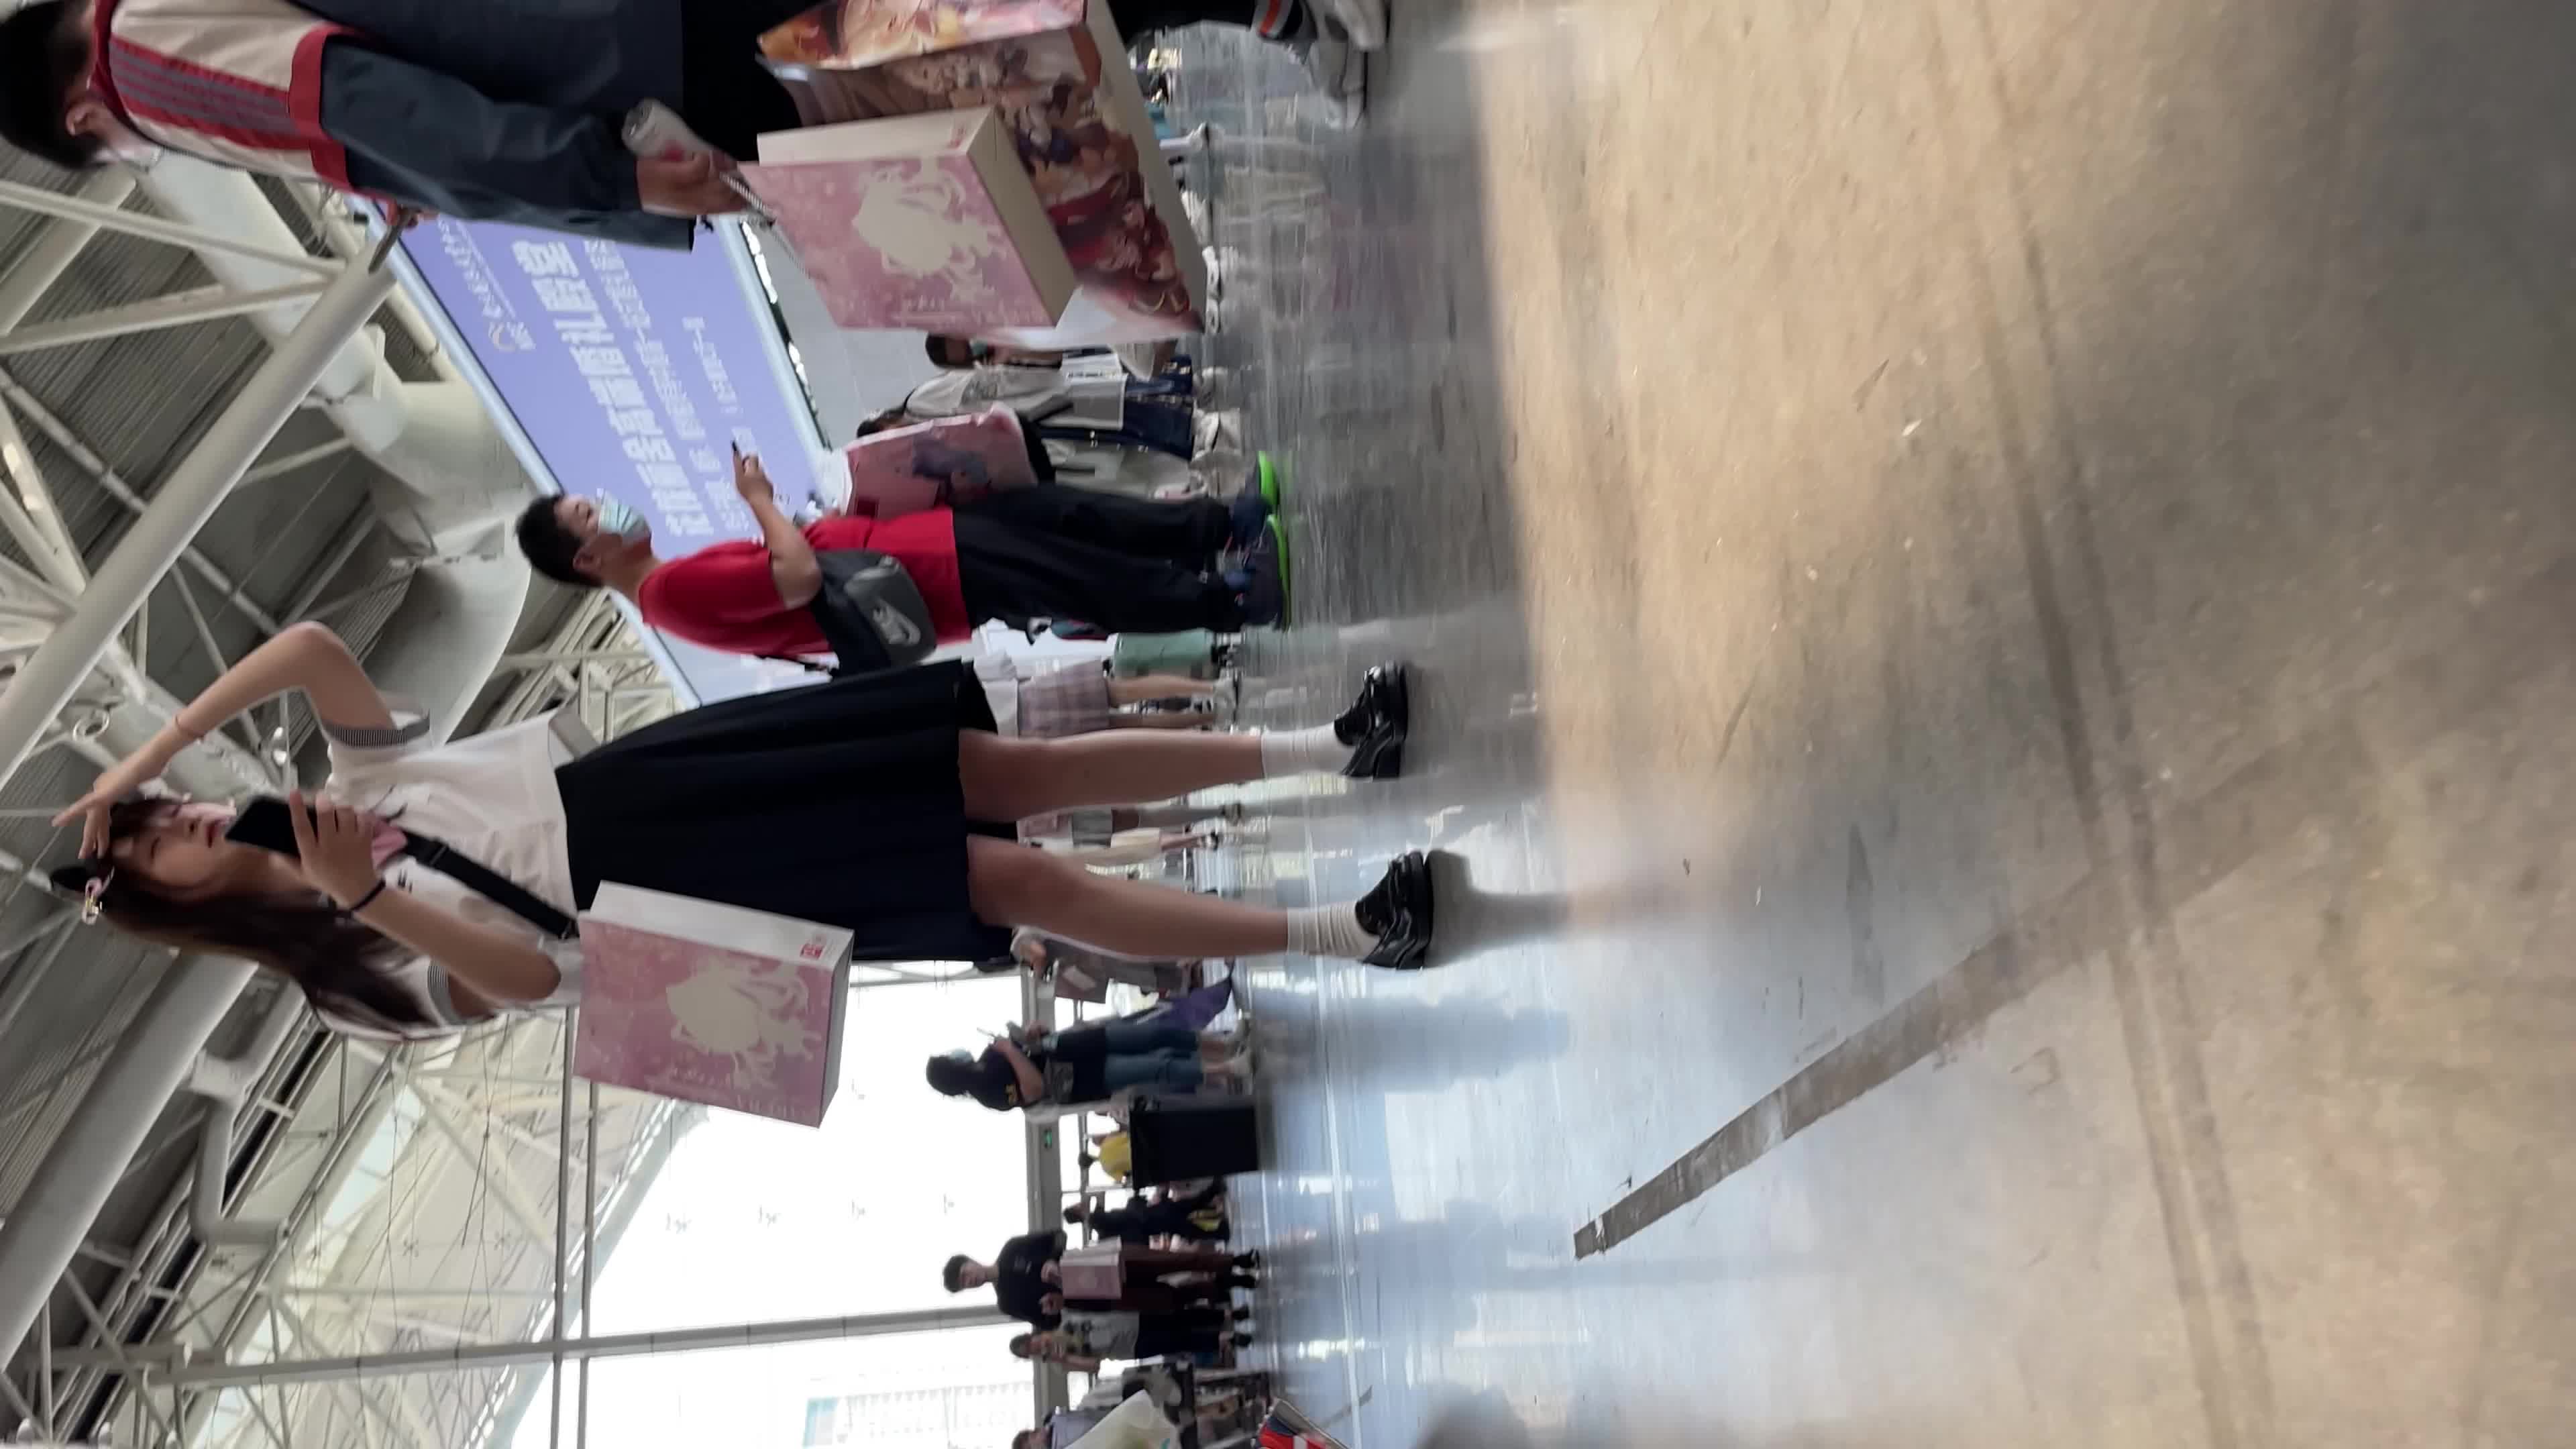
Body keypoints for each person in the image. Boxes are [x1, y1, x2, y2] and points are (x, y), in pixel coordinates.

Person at [44, 627, 1436, 1042]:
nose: (184, 822)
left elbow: (312, 648)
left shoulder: (352, 784)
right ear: (178, 906)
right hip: (660, 891)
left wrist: (148, 749)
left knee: (1006, 767)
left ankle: (1329, 746)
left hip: (654, 785)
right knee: (1013, 881)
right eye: (160, 843)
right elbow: (523, 981)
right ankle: (1340, 932)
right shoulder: (341, 979)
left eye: (166, 813)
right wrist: (363, 896)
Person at [0, 0, 832, 247]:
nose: (143, 148)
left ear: (83, 116)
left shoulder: (142, 73)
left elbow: (380, 109)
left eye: (124, 155)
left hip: (610, 65)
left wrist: (616, 179)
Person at [515, 447, 1284, 651]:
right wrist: (758, 499)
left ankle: (1222, 526)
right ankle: (1232, 600)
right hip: (930, 576)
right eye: (588, 513)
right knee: (1081, 578)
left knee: (1070, 519)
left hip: (923, 550)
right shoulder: (669, 595)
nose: (606, 505)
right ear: (587, 558)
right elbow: (796, 578)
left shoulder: (671, 585)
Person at [926, 1018, 1242, 1114]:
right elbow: (1034, 1088)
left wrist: (1031, 1035)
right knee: (1156, 1067)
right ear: (952, 1070)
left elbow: (1033, 1049)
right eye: (949, 1059)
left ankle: (1224, 1044)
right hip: (1078, 1078)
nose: (955, 1055)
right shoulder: (988, 1094)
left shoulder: (988, 1055)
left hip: (1076, 1046)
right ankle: (1229, 1068)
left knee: (1154, 1033)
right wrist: (1010, 1050)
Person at [945, 1232, 1254, 1324]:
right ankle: (1227, 1283)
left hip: (1102, 1264)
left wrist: (1052, 1259)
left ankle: (1235, 1261)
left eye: (964, 1273)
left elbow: (1057, 1235)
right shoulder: (1008, 1303)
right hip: (1098, 1299)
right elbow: (1048, 1323)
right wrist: (1055, 1305)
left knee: (1171, 1261)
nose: (969, 1280)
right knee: (1170, 1299)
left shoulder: (1012, 1249)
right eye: (963, 1284)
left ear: (970, 1261)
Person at [1012, 1309, 1243, 1371]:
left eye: (1031, 1344)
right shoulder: (1059, 1365)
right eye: (1030, 1352)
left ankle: (1227, 1315)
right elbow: (1094, 1365)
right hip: (1128, 1347)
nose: (1036, 1348)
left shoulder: (1060, 1319)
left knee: (1179, 1317)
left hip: (1128, 1319)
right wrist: (1065, 1359)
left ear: (1034, 1336)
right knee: (1178, 1341)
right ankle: (1226, 1340)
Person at [1067, 1183, 1228, 1244]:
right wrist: (1090, 1198)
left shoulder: (1095, 1222)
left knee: (1181, 1214)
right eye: (1077, 1206)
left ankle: (1213, 1196)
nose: (1080, 1203)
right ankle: (1218, 1231)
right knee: (1181, 1220)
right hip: (1144, 1219)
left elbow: (1101, 1199)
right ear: (1076, 1212)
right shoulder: (1094, 1220)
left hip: (1144, 1222)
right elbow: (1100, 1197)